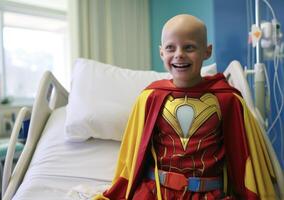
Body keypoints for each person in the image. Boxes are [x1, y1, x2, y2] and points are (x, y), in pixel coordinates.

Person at [95, 14, 277, 200]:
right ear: (161, 53)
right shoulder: (150, 97)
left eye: (189, 47)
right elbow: (133, 154)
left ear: (207, 51)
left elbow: (243, 156)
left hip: (207, 194)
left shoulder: (227, 99)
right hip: (156, 192)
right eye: (170, 48)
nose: (179, 54)